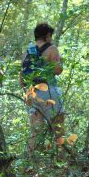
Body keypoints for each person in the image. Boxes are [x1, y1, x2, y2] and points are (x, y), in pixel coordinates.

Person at [20, 23, 64, 156]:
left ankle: (28, 159)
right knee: (58, 128)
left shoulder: (27, 52)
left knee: (35, 131)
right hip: (48, 90)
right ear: (47, 36)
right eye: (51, 35)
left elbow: (21, 76)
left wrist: (25, 92)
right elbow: (57, 70)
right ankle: (62, 158)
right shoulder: (52, 49)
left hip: (31, 92)